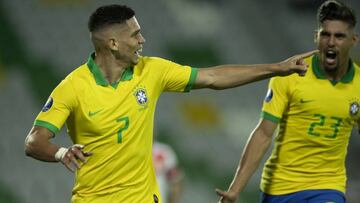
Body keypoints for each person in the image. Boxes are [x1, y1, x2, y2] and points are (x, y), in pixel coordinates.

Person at [24, 4, 316, 203]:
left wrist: (277, 68)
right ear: (113, 43)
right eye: (135, 34)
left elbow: (213, 77)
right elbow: (34, 141)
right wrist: (62, 152)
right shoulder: (73, 86)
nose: (142, 39)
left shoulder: (152, 70)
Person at [216, 1, 359, 203]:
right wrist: (235, 189)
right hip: (280, 187)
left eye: (339, 36)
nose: (331, 42)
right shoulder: (290, 75)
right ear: (316, 36)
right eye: (325, 34)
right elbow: (264, 133)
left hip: (328, 186)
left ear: (353, 40)